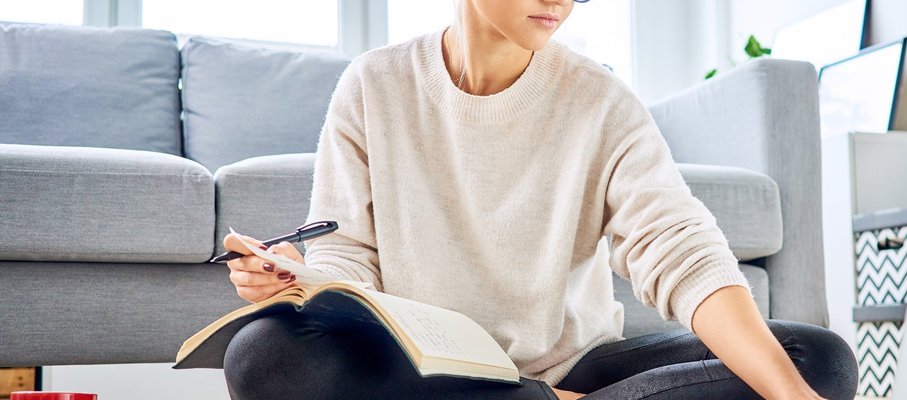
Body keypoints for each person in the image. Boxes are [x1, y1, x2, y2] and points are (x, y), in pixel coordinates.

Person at [219, 0, 857, 398]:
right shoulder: (374, 85)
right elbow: (350, 252)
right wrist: (300, 277)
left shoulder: (599, 101)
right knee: (264, 356)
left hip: (572, 369)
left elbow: (678, 247)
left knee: (816, 361)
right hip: (423, 372)